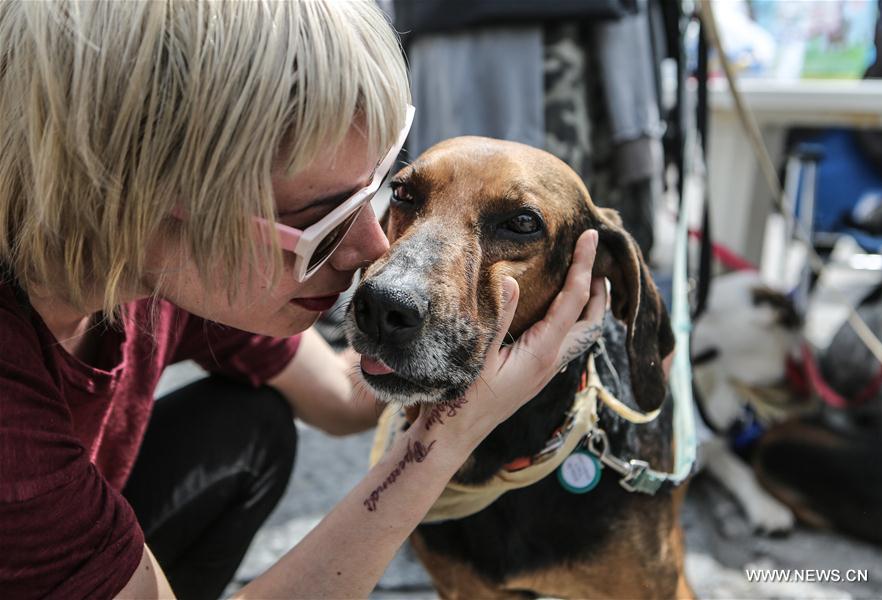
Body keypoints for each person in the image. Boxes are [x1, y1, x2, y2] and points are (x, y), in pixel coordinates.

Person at [0, 1, 606, 598]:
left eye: (374, 195)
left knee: (248, 432)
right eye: (321, 218)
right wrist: (448, 436)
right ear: (150, 196)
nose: (372, 248)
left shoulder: (154, 273)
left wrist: (490, 349)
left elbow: (345, 396)